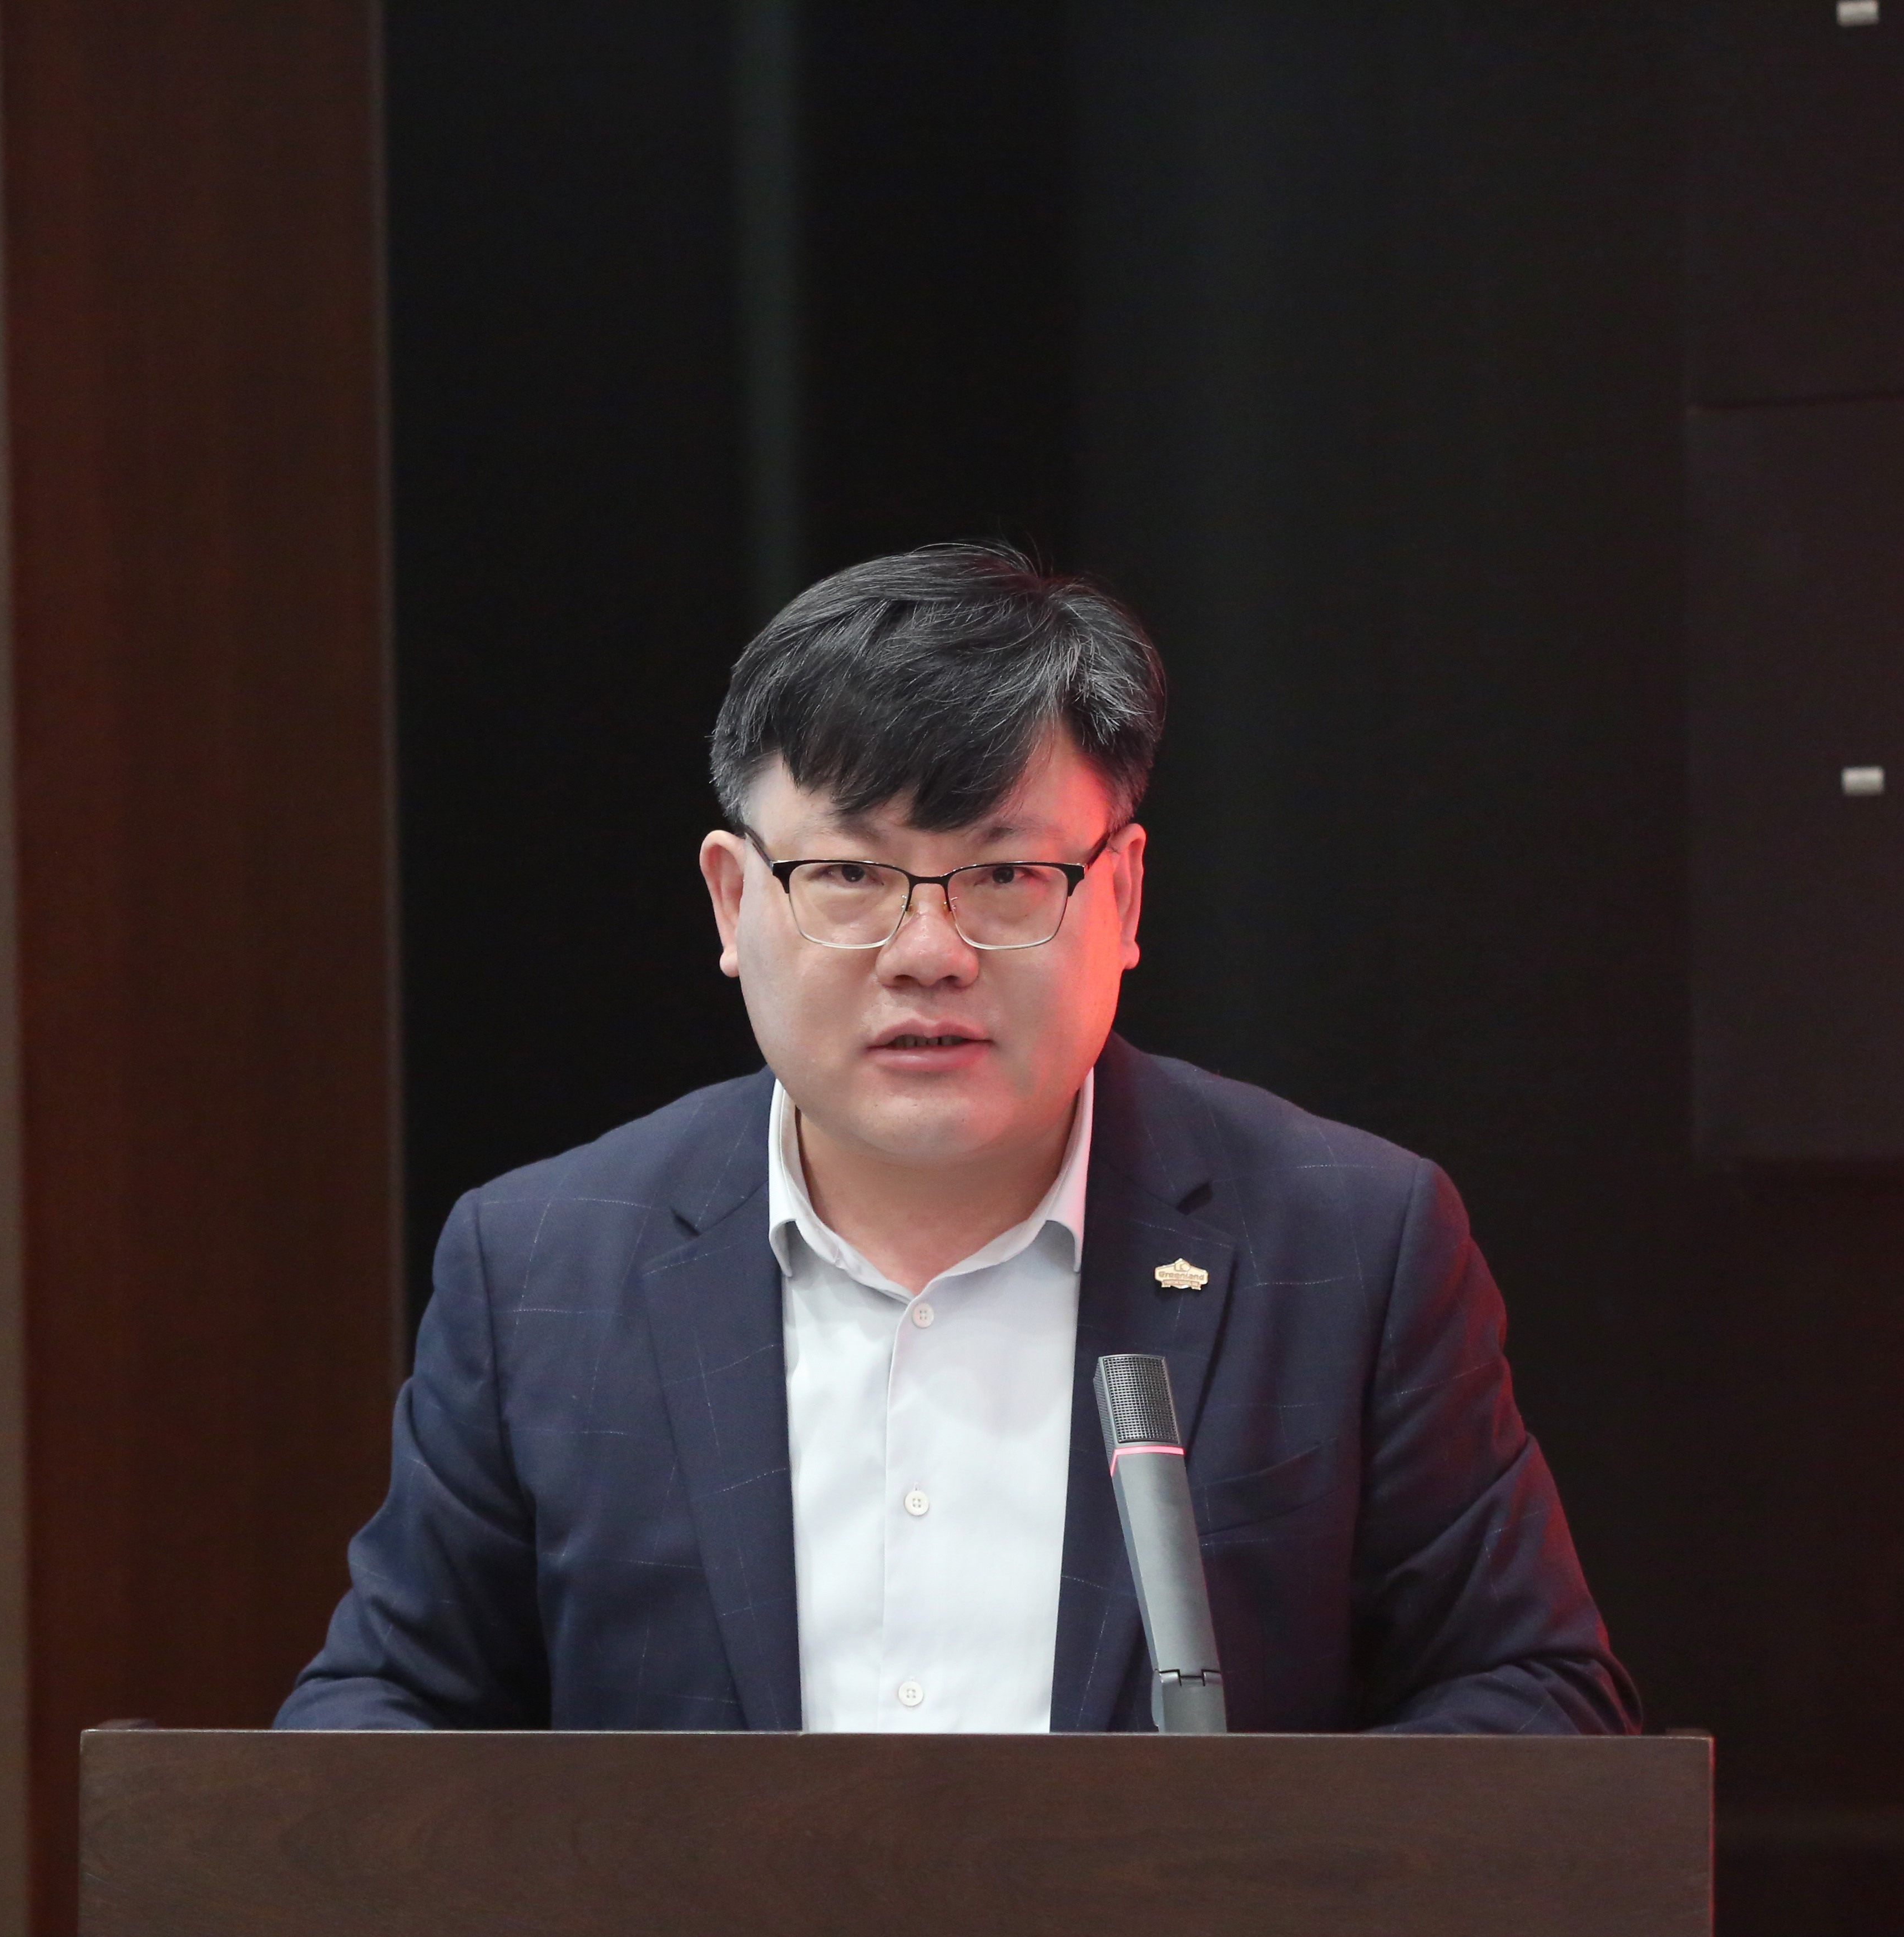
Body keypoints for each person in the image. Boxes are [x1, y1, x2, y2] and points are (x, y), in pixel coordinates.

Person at [279, 544, 1638, 1734]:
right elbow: (383, 1707)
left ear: (1124, 894)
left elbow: (1535, 1696)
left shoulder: (1346, 1241)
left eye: (1004, 875)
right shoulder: (542, 1264)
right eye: (850, 875)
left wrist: (1237, 1885)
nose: (929, 951)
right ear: (733, 901)